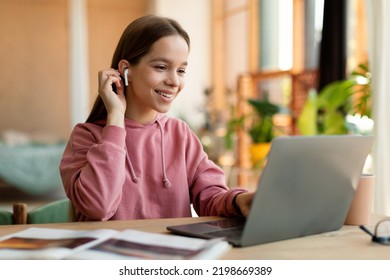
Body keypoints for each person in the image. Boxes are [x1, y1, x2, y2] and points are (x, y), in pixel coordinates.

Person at [60, 15, 254, 222]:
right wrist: (115, 116)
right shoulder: (86, 136)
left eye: (181, 70)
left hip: (171, 253)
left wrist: (239, 200)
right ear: (126, 71)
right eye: (161, 67)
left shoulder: (180, 134)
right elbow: (98, 206)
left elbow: (211, 198)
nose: (174, 81)